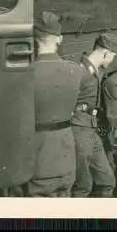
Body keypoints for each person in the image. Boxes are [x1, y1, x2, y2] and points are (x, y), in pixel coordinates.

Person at [26, 11, 82, 197]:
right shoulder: (74, 71)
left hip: (39, 160)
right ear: (60, 39)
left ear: (34, 39)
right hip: (67, 159)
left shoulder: (25, 75)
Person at [70, 33, 117, 198]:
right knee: (83, 186)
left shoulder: (94, 72)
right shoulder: (80, 71)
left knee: (107, 180)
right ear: (106, 53)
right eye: (112, 56)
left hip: (91, 130)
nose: (111, 61)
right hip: (79, 130)